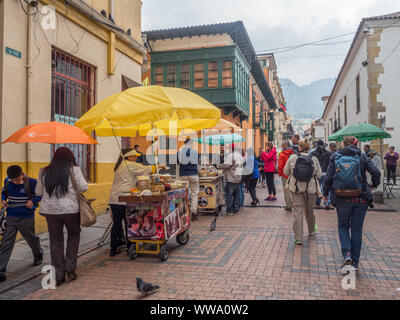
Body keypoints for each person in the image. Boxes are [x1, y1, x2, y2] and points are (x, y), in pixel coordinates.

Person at [323, 136, 380, 271]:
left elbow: (329, 177)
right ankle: (355, 262)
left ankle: (346, 254)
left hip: (342, 197)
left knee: (343, 226)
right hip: (360, 197)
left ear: (343, 144)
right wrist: (373, 185)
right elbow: (376, 172)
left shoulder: (335, 156)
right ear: (356, 144)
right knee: (356, 229)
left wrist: (325, 194)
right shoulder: (362, 156)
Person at [36, 147, 87, 287]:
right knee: (74, 236)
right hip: (70, 210)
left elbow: (38, 191)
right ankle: (70, 270)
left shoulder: (43, 171)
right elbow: (83, 187)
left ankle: (58, 275)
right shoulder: (74, 169)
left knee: (55, 241)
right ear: (70, 157)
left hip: (51, 211)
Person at [108, 148, 165, 257]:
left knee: (116, 224)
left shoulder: (119, 165)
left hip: (114, 198)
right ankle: (130, 246)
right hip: (124, 198)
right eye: (134, 156)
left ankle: (113, 248)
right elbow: (145, 169)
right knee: (129, 223)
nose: (136, 158)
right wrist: (159, 166)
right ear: (129, 157)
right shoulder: (130, 164)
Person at [0, 166, 43, 283]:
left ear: (22, 174)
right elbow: (4, 191)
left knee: (31, 238)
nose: (15, 182)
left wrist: (32, 201)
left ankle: (38, 253)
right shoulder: (7, 181)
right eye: (12, 180)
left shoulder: (32, 182)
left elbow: (41, 194)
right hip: (11, 216)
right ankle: (1, 270)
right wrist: (3, 200)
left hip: (26, 216)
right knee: (6, 242)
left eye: (17, 180)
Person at [284, 140, 322, 245]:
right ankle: (311, 230)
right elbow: (319, 175)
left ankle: (298, 238)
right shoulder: (314, 159)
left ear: (299, 148)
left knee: (297, 211)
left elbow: (285, 171)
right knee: (309, 209)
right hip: (311, 188)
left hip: (296, 188)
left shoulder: (292, 158)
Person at [217, 144, 245, 216]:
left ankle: (229, 210)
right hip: (238, 178)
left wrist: (218, 166)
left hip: (231, 178)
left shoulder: (231, 156)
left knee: (229, 195)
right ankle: (235, 209)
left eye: (229, 148)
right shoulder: (239, 155)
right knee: (236, 195)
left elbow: (225, 165)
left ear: (231, 149)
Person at [178, 137, 200, 221]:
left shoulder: (179, 152)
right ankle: (194, 213)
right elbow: (197, 162)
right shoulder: (195, 152)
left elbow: (177, 162)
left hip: (183, 175)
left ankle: (184, 213)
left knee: (184, 194)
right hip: (193, 174)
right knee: (194, 194)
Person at [311, 139, 332, 207]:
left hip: (317, 173)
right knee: (327, 188)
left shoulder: (313, 154)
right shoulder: (329, 153)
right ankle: (327, 201)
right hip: (326, 173)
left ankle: (318, 201)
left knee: (318, 188)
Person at [278, 141, 294, 211]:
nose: (281, 146)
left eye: (282, 145)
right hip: (292, 174)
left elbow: (280, 165)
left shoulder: (282, 154)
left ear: (285, 145)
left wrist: (280, 173)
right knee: (292, 190)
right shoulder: (293, 153)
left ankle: (288, 205)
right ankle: (293, 204)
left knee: (286, 190)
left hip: (284, 174)